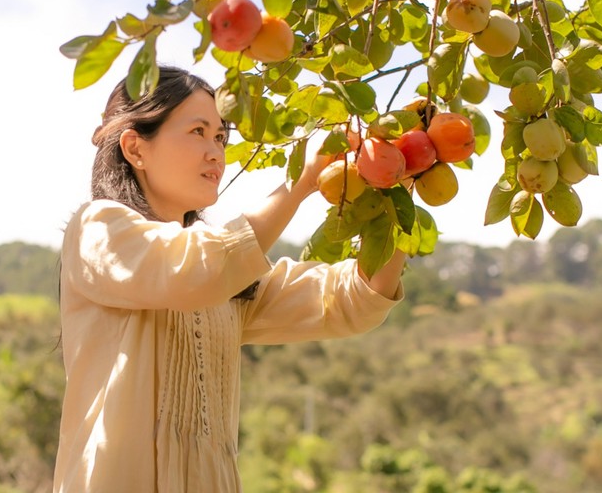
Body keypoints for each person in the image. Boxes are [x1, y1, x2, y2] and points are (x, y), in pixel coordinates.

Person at [52, 65, 406, 492]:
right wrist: (301, 183)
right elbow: (194, 269)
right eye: (198, 131)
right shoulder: (98, 229)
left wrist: (395, 186)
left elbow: (351, 302)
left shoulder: (228, 278)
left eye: (220, 136)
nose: (215, 152)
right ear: (136, 149)